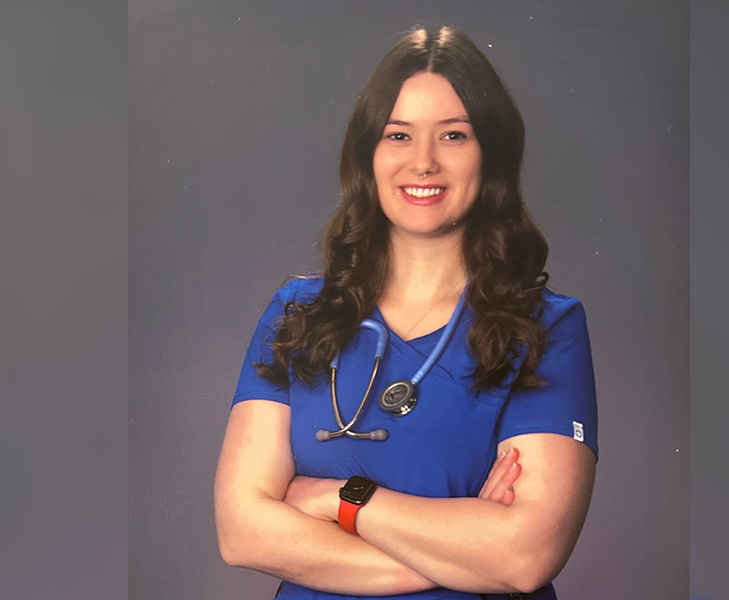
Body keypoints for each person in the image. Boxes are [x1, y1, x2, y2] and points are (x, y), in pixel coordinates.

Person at [214, 26, 598, 600]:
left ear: (489, 155)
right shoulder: (296, 315)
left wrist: (336, 499)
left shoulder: (545, 328)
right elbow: (242, 533)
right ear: (368, 154)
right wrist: (465, 555)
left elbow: (525, 556)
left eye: (453, 135)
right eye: (399, 135)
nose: (423, 162)